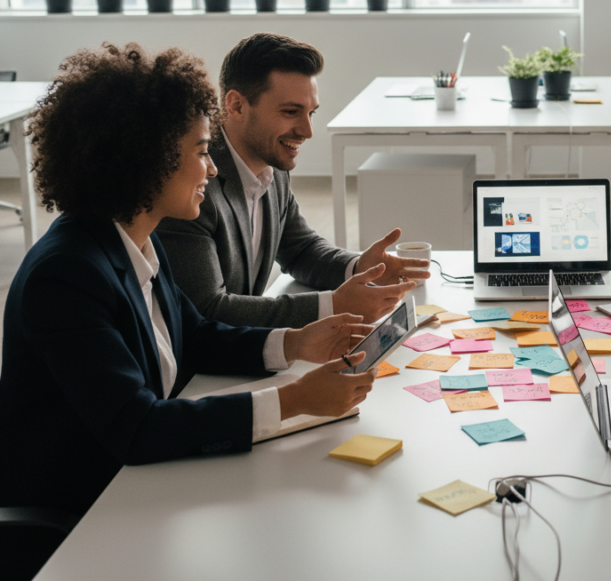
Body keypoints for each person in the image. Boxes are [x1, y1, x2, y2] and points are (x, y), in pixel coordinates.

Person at [0, 44, 379, 519]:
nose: (214, 167)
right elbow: (137, 427)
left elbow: (195, 335)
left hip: (141, 483)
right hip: (84, 512)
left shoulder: (135, 238)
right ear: (148, 160)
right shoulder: (66, 276)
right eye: (202, 152)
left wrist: (297, 343)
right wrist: (294, 400)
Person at [157, 33, 429, 330]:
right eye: (290, 112)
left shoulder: (272, 164)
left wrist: (360, 267)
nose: (307, 131)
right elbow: (208, 310)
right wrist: (332, 306)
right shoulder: (194, 183)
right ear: (235, 105)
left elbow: (299, 249)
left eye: (311, 112)